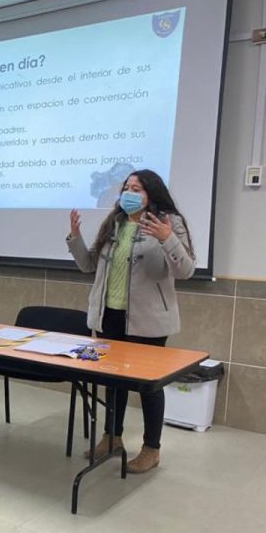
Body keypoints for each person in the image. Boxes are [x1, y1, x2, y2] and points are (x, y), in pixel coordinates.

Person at [67, 169, 196, 473]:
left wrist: (167, 240)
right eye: (126, 187)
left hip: (148, 321)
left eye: (137, 188)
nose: (129, 192)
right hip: (110, 315)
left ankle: (152, 448)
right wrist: (75, 238)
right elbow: (88, 265)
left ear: (151, 193)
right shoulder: (115, 222)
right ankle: (112, 438)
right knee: (113, 381)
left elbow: (186, 270)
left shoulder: (168, 222)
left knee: (148, 386)